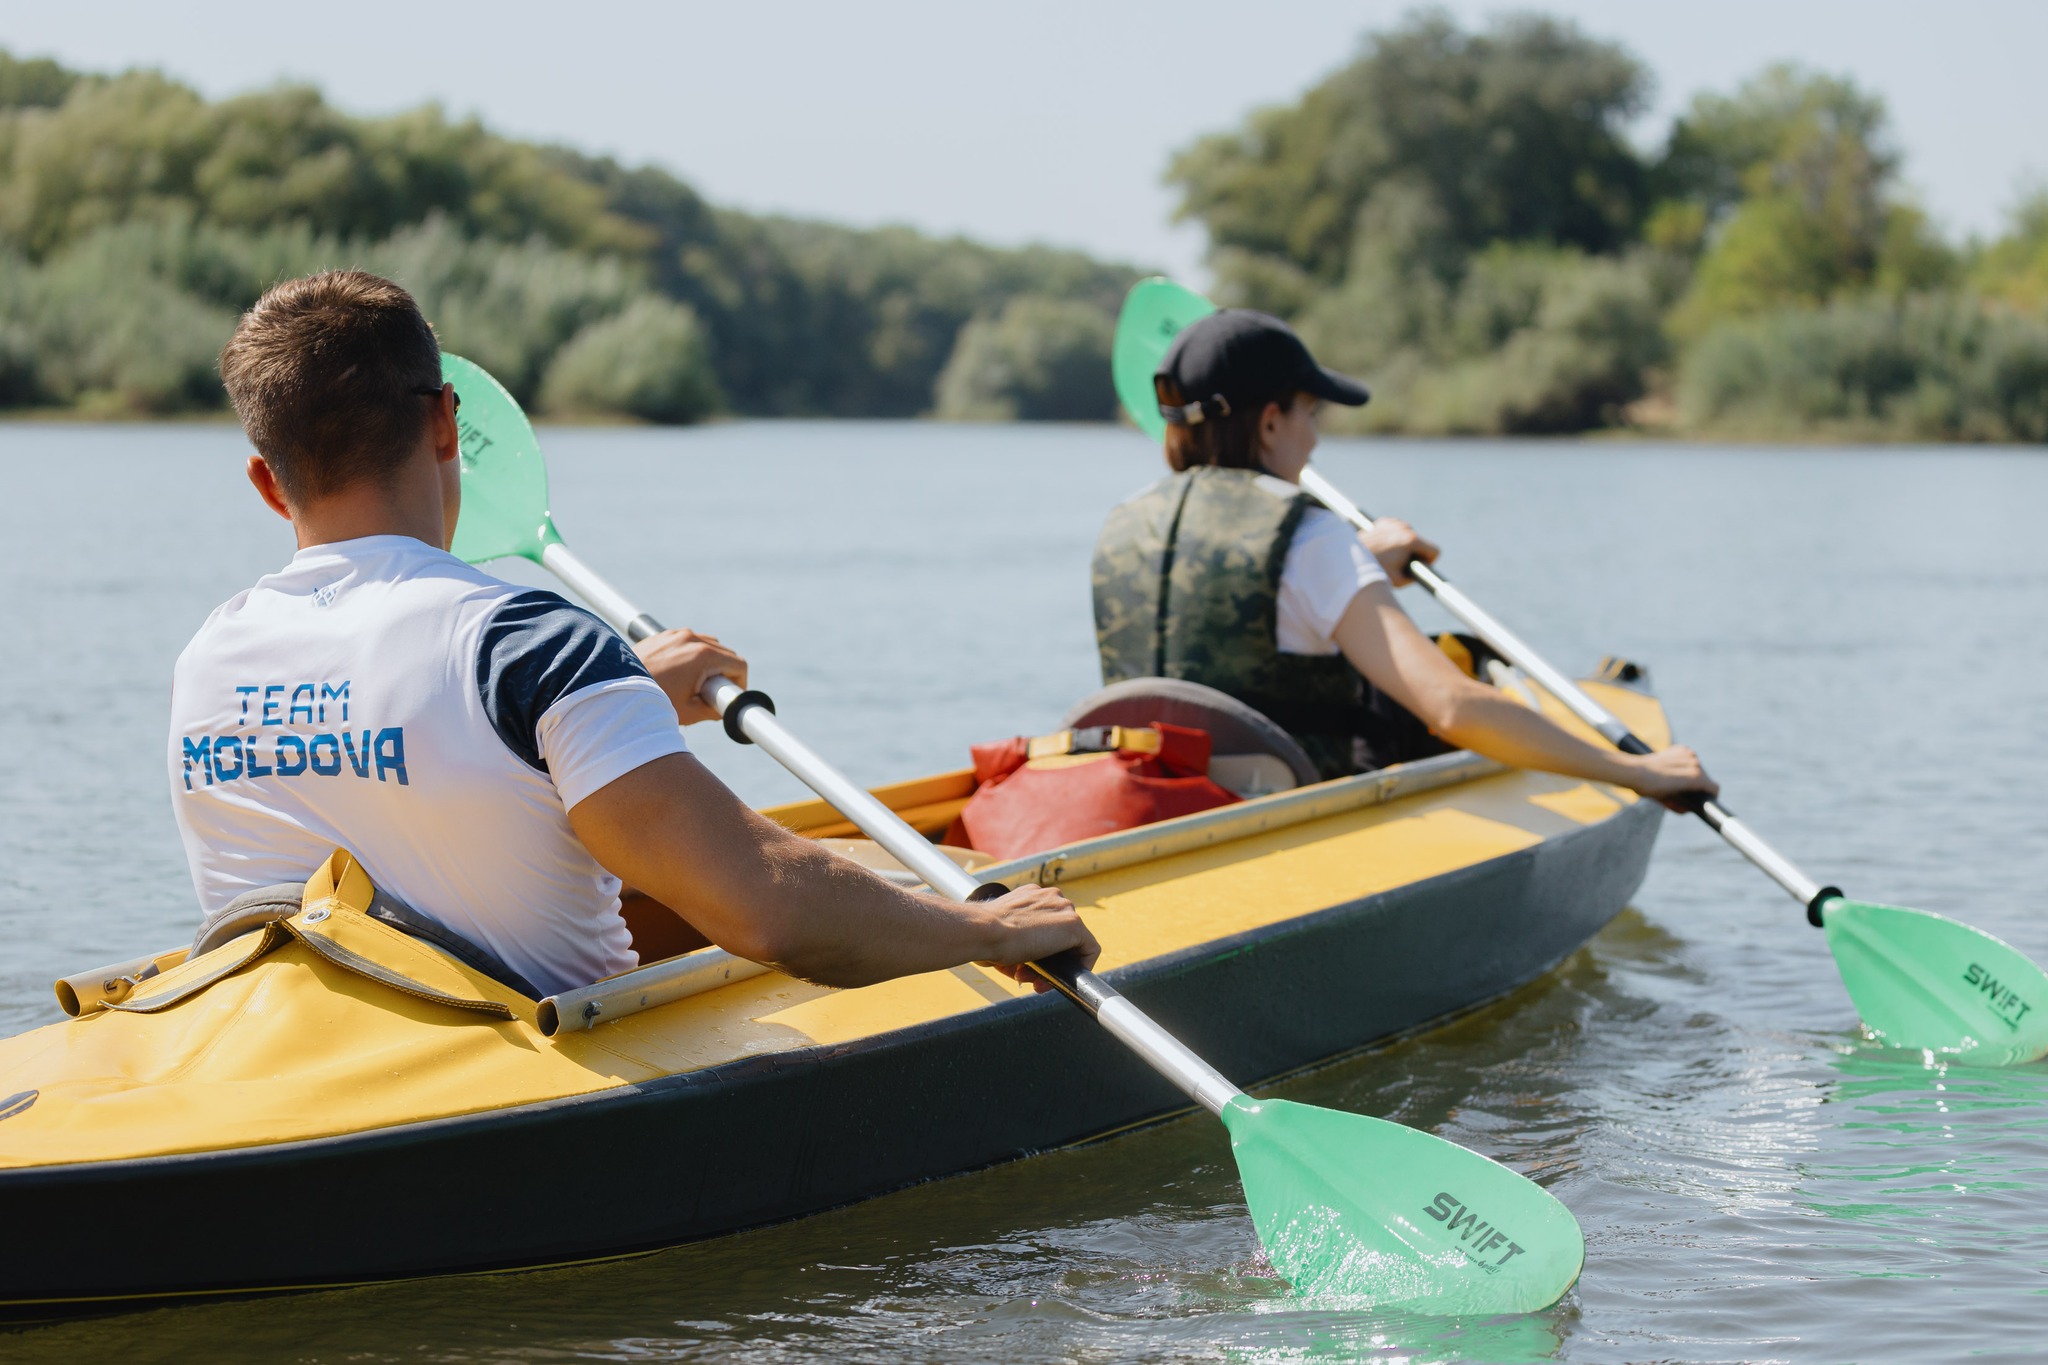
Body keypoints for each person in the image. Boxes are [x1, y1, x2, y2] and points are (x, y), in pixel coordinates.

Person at [171, 269, 1095, 999]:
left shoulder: (210, 654)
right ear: (447, 424)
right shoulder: (531, 647)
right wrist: (986, 928)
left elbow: (408, 748)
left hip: (289, 1048)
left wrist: (623, 699)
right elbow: (765, 906)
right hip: (527, 1066)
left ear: (265, 480)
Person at [1092, 308, 1717, 807]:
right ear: (1273, 423)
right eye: (1311, 413)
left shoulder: (1125, 524)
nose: (1316, 436)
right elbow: (1452, 707)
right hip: (1279, 816)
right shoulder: (1312, 539)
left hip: (1148, 799)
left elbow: (1232, 607)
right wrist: (1634, 771)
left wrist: (1358, 564)